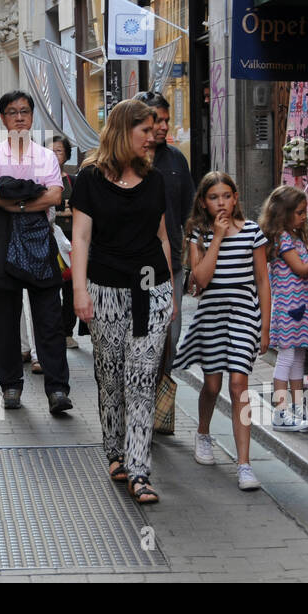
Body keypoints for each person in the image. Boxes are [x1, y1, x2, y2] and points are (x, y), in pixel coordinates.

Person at [72, 100, 174, 503]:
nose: (153, 137)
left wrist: (172, 296)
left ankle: (139, 470)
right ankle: (113, 451)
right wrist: (80, 291)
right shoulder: (90, 178)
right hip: (105, 289)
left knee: (141, 378)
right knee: (111, 376)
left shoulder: (155, 180)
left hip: (152, 289)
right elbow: (80, 239)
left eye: (154, 130)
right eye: (145, 130)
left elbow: (163, 236)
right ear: (122, 131)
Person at [174, 171, 271, 491]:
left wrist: (266, 327)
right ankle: (203, 433)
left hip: (244, 314)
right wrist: (216, 236)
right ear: (204, 201)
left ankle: (244, 463)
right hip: (212, 316)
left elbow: (262, 281)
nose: (221, 203)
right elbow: (200, 280)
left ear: (236, 198)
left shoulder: (253, 232)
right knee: (213, 385)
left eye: (226, 196)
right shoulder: (198, 234)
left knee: (238, 384)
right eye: (214, 197)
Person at [0, 91, 72, 414]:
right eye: (12, 112)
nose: (19, 117)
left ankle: (58, 389)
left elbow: (55, 197)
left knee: (49, 320)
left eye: (24, 111)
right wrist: (29, 198)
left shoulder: (46, 157)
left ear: (32, 117)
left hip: (40, 242)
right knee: (6, 322)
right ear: (3, 119)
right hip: (3, 242)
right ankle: (10, 387)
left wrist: (15, 200)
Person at [134, 92, 195, 390]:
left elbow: (190, 214)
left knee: (170, 333)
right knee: (139, 332)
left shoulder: (175, 160)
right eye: (156, 120)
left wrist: (193, 259)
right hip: (132, 265)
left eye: (166, 121)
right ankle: (139, 394)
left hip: (171, 265)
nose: (162, 127)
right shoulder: (125, 160)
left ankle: (160, 397)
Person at [259, 185, 308, 430]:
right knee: (288, 356)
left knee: (299, 357)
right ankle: (280, 412)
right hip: (290, 308)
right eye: (300, 212)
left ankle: (297, 408)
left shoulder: (292, 236)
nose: (304, 217)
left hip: (300, 306)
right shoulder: (282, 238)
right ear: (284, 213)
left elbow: (307, 264)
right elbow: (302, 270)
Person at [49, 134, 78, 352]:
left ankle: (68, 331)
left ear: (66, 154)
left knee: (70, 288)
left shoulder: (73, 181)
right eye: (50, 150)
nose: (54, 154)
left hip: (71, 240)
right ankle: (53, 330)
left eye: (59, 151)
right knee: (51, 287)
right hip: (50, 239)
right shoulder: (41, 181)